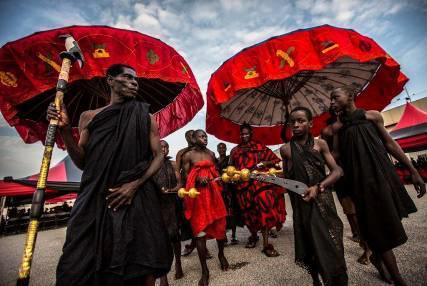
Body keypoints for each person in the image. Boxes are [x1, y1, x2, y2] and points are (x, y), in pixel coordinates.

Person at [49, 64, 173, 286]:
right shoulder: (88, 117)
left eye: (136, 79)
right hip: (96, 196)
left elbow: (158, 157)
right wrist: (65, 131)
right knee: (77, 261)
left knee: (142, 261)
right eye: (127, 77)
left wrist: (135, 185)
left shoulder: (144, 115)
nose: (134, 82)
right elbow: (83, 162)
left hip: (137, 196)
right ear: (110, 80)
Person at [329, 86, 426, 286]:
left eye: (335, 98)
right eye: (330, 99)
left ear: (350, 96)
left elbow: (390, 144)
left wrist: (413, 171)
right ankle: (397, 277)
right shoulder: (337, 129)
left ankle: (376, 257)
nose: (331, 103)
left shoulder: (372, 117)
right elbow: (336, 157)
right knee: (375, 227)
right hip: (358, 183)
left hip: (382, 178)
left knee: (386, 222)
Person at [280, 107, 347, 286]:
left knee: (331, 242)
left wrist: (319, 187)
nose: (295, 124)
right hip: (301, 204)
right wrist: (267, 178)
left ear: (310, 123)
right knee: (309, 243)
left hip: (323, 201)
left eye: (301, 121)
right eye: (292, 122)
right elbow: (287, 179)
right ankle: (315, 280)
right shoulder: (285, 149)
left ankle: (335, 280)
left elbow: (337, 171)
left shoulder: (320, 144)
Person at [229, 124, 286, 257]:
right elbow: (230, 167)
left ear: (251, 133)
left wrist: (264, 164)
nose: (244, 136)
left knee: (264, 209)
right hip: (243, 186)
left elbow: (275, 160)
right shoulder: (235, 151)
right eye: (242, 134)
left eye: (246, 134)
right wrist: (234, 177)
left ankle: (266, 245)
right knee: (249, 214)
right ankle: (254, 236)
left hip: (260, 184)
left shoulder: (260, 148)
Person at [181, 130, 229, 286]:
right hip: (198, 199)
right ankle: (204, 271)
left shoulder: (210, 153)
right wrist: (195, 181)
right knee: (200, 232)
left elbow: (215, 172)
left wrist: (222, 178)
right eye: (201, 136)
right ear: (194, 139)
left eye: (206, 136)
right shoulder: (188, 155)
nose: (205, 138)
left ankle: (221, 254)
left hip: (214, 196)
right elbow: (185, 177)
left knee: (221, 229)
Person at [322, 115, 371, 265]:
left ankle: (367, 246)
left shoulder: (353, 126)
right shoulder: (327, 132)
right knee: (350, 211)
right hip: (342, 176)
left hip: (355, 173)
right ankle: (362, 239)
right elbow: (332, 153)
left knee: (358, 211)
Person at [152, 140, 184, 285]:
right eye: (161, 147)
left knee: (174, 236)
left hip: (171, 204)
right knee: (157, 239)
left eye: (166, 147)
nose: (164, 149)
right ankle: (163, 276)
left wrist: (172, 190)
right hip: (155, 206)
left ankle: (178, 263)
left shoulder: (172, 164)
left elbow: (180, 184)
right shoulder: (151, 164)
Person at [216, 142, 239, 245]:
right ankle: (224, 236)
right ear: (217, 149)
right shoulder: (216, 161)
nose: (221, 149)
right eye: (219, 148)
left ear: (225, 149)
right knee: (222, 213)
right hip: (220, 189)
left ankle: (233, 236)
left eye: (223, 147)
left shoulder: (230, 159)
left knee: (232, 212)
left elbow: (234, 171)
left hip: (230, 188)